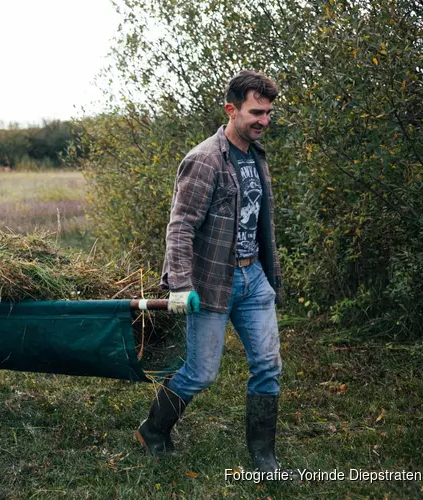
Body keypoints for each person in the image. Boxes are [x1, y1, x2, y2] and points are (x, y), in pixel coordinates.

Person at [136, 70, 285, 472]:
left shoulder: (256, 156)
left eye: (269, 113)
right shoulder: (204, 160)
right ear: (231, 110)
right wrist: (181, 286)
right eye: (256, 112)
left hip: (253, 278)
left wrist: (267, 274)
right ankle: (153, 429)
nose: (264, 121)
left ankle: (263, 454)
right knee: (201, 373)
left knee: (268, 365)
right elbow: (180, 226)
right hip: (211, 281)